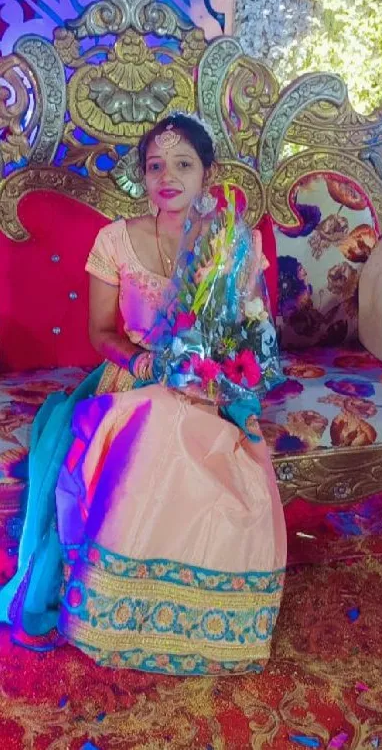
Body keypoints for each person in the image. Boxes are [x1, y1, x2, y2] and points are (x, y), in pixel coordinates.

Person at [0, 113, 286, 676]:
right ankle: (116, 611)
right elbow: (101, 332)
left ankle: (193, 614)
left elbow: (253, 331)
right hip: (134, 379)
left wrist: (220, 374)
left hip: (209, 388)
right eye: (155, 165)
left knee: (206, 440)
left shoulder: (234, 244)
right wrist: (146, 361)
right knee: (154, 420)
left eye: (183, 164)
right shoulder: (116, 239)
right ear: (142, 176)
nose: (168, 176)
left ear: (209, 173)